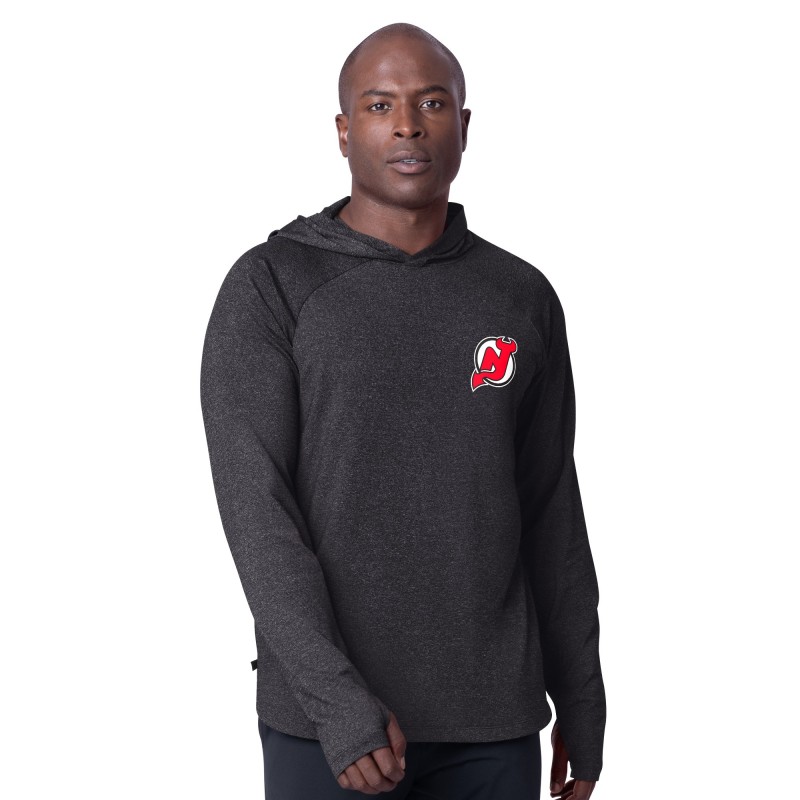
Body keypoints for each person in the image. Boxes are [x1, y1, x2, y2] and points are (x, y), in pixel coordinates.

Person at [200, 21, 606, 800]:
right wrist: (336, 704)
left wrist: (582, 701)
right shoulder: (271, 286)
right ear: (344, 131)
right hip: (328, 730)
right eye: (380, 105)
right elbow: (258, 515)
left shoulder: (520, 297)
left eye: (432, 103)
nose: (409, 125)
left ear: (465, 126)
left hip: (493, 721)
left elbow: (552, 509)